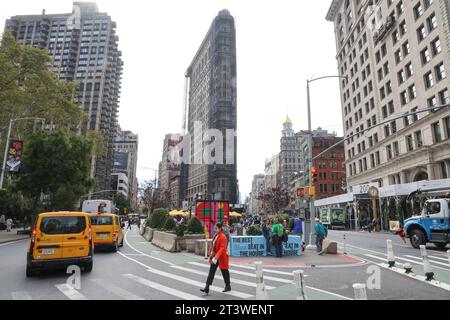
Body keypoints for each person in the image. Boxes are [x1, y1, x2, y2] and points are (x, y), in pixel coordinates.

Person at [200, 223, 231, 295]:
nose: (215, 229)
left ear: (220, 228)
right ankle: (207, 288)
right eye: (215, 228)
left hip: (221, 257)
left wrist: (216, 256)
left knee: (224, 271)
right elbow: (213, 246)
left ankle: (228, 285)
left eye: (216, 228)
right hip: (215, 256)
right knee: (211, 272)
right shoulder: (216, 235)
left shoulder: (223, 237)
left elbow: (222, 248)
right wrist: (210, 254)